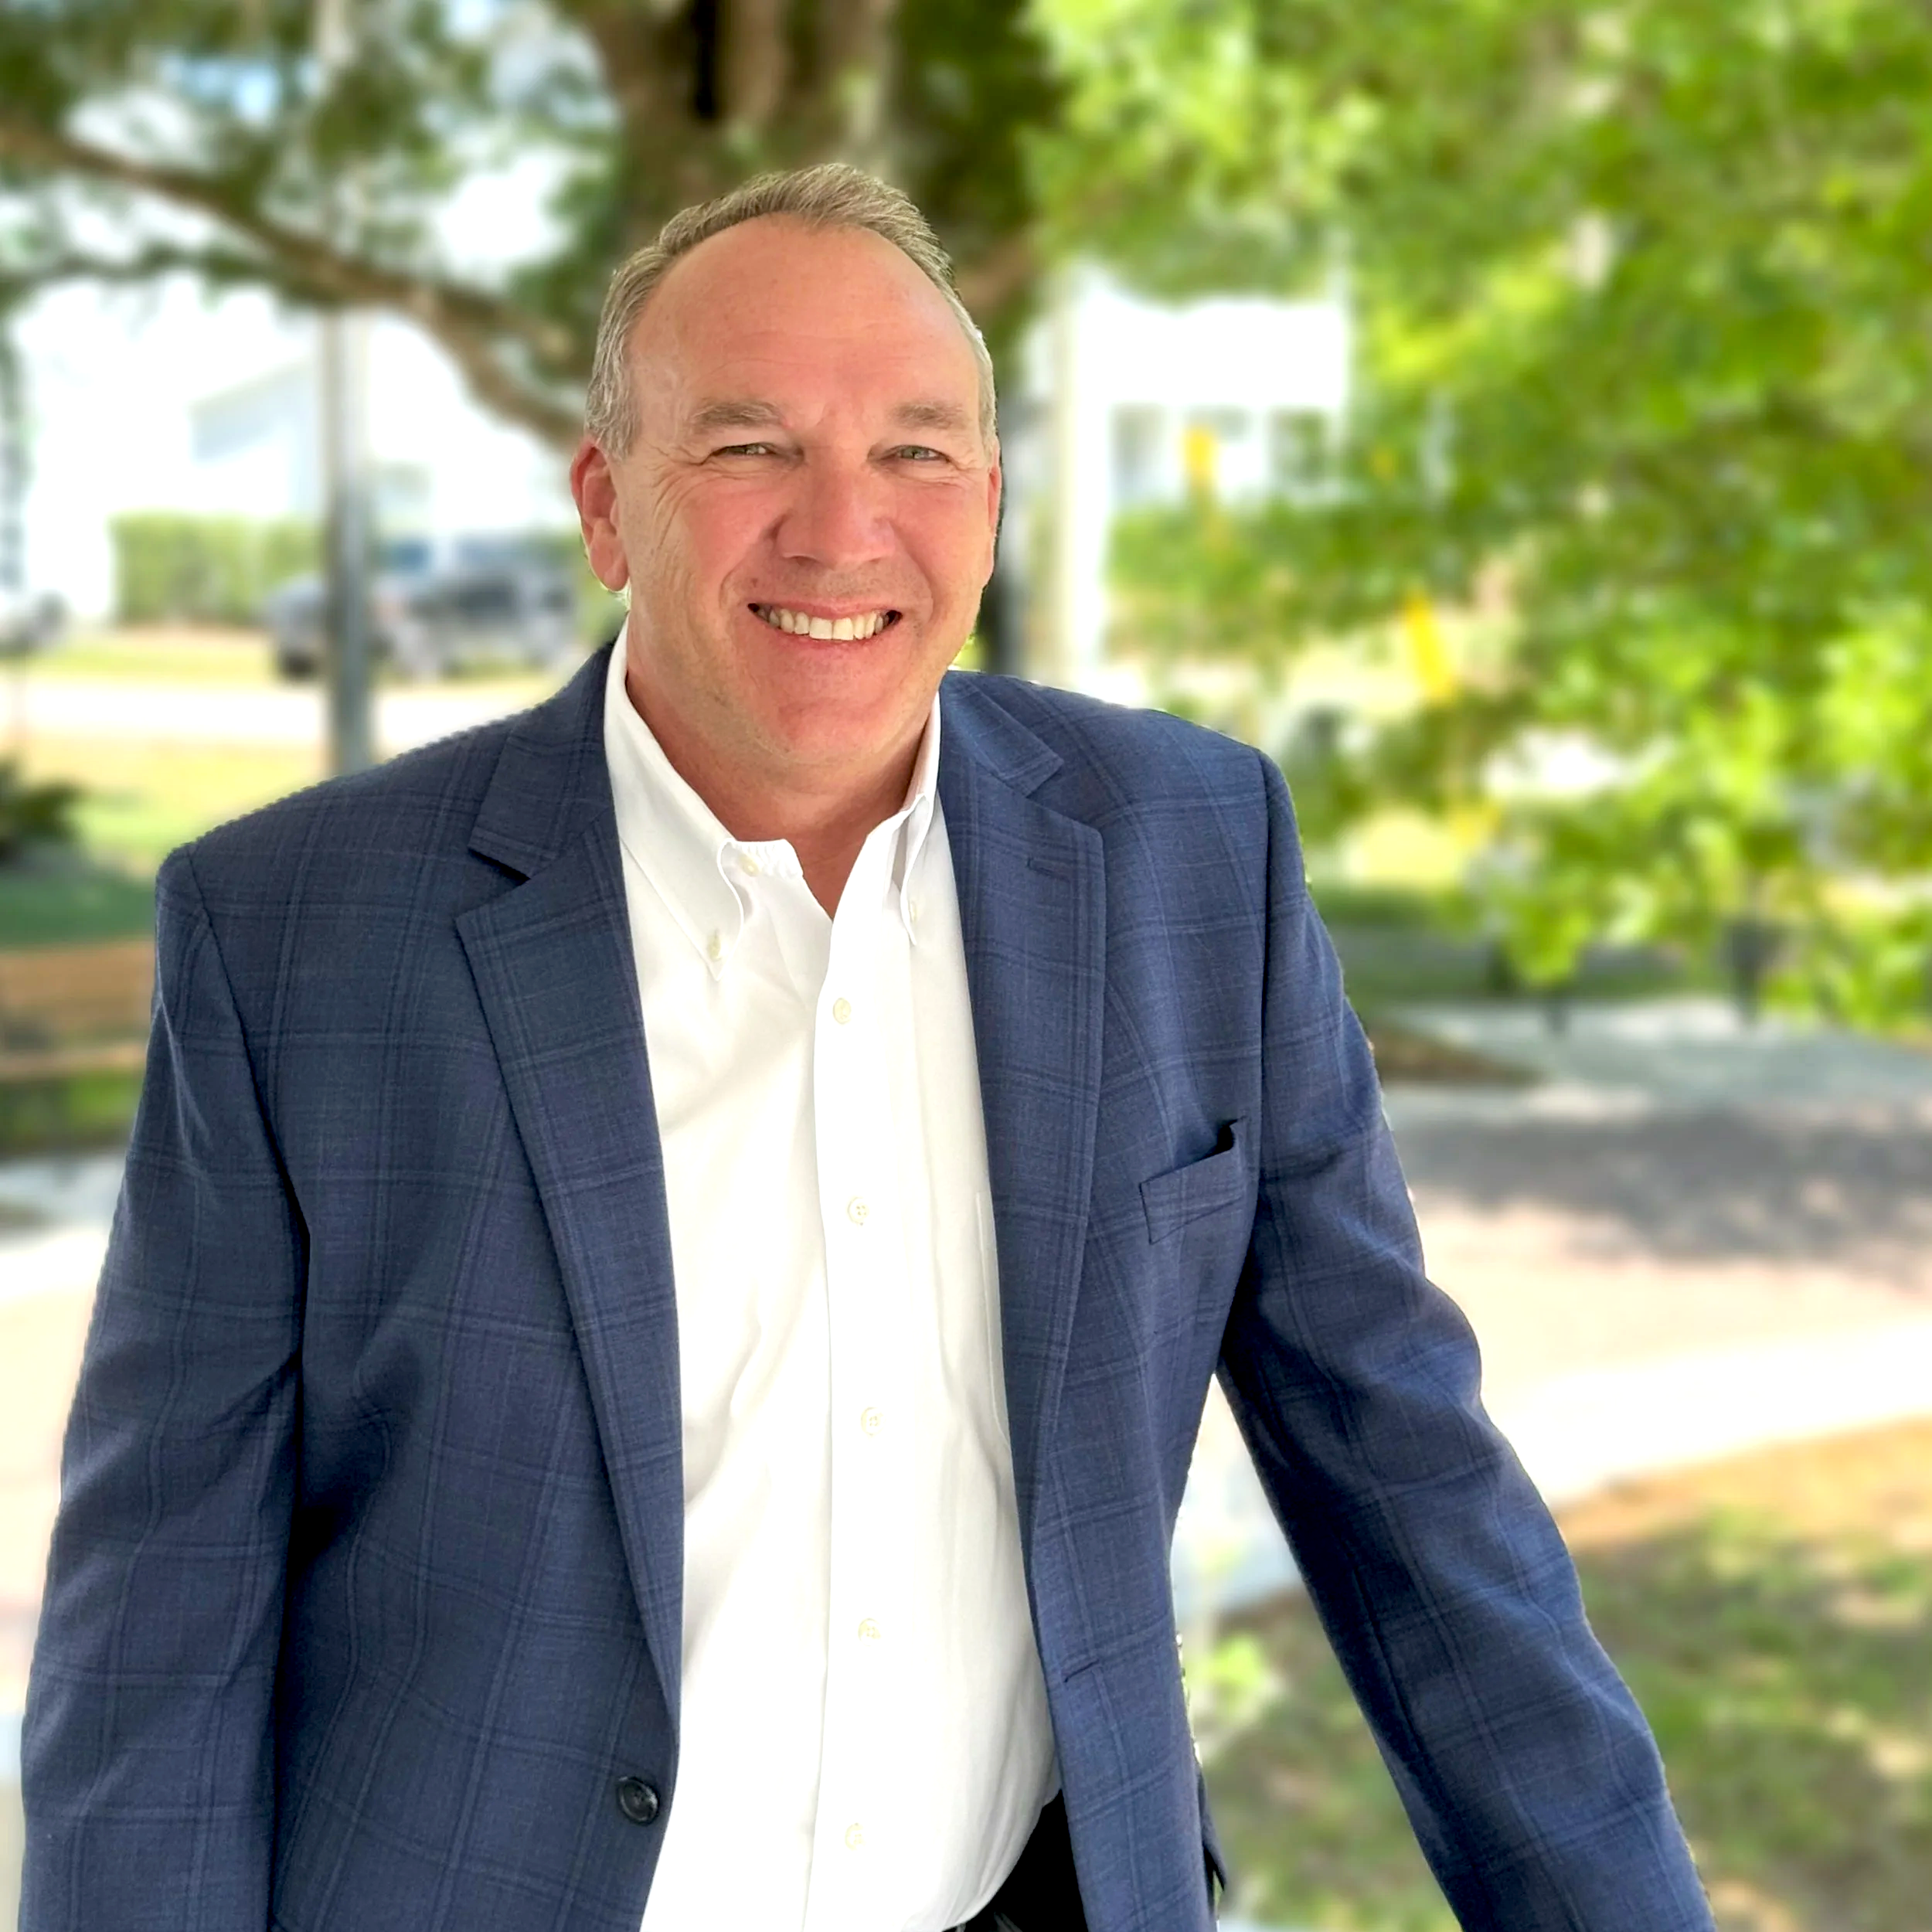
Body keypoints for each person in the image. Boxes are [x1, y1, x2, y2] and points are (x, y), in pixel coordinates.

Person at [19, 165, 1717, 1932]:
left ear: (986, 507)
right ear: (606, 506)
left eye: (915, 452)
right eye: (747, 446)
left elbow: (1411, 1484)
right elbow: (156, 1635)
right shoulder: (299, 928)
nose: (842, 530)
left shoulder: (1190, 854)